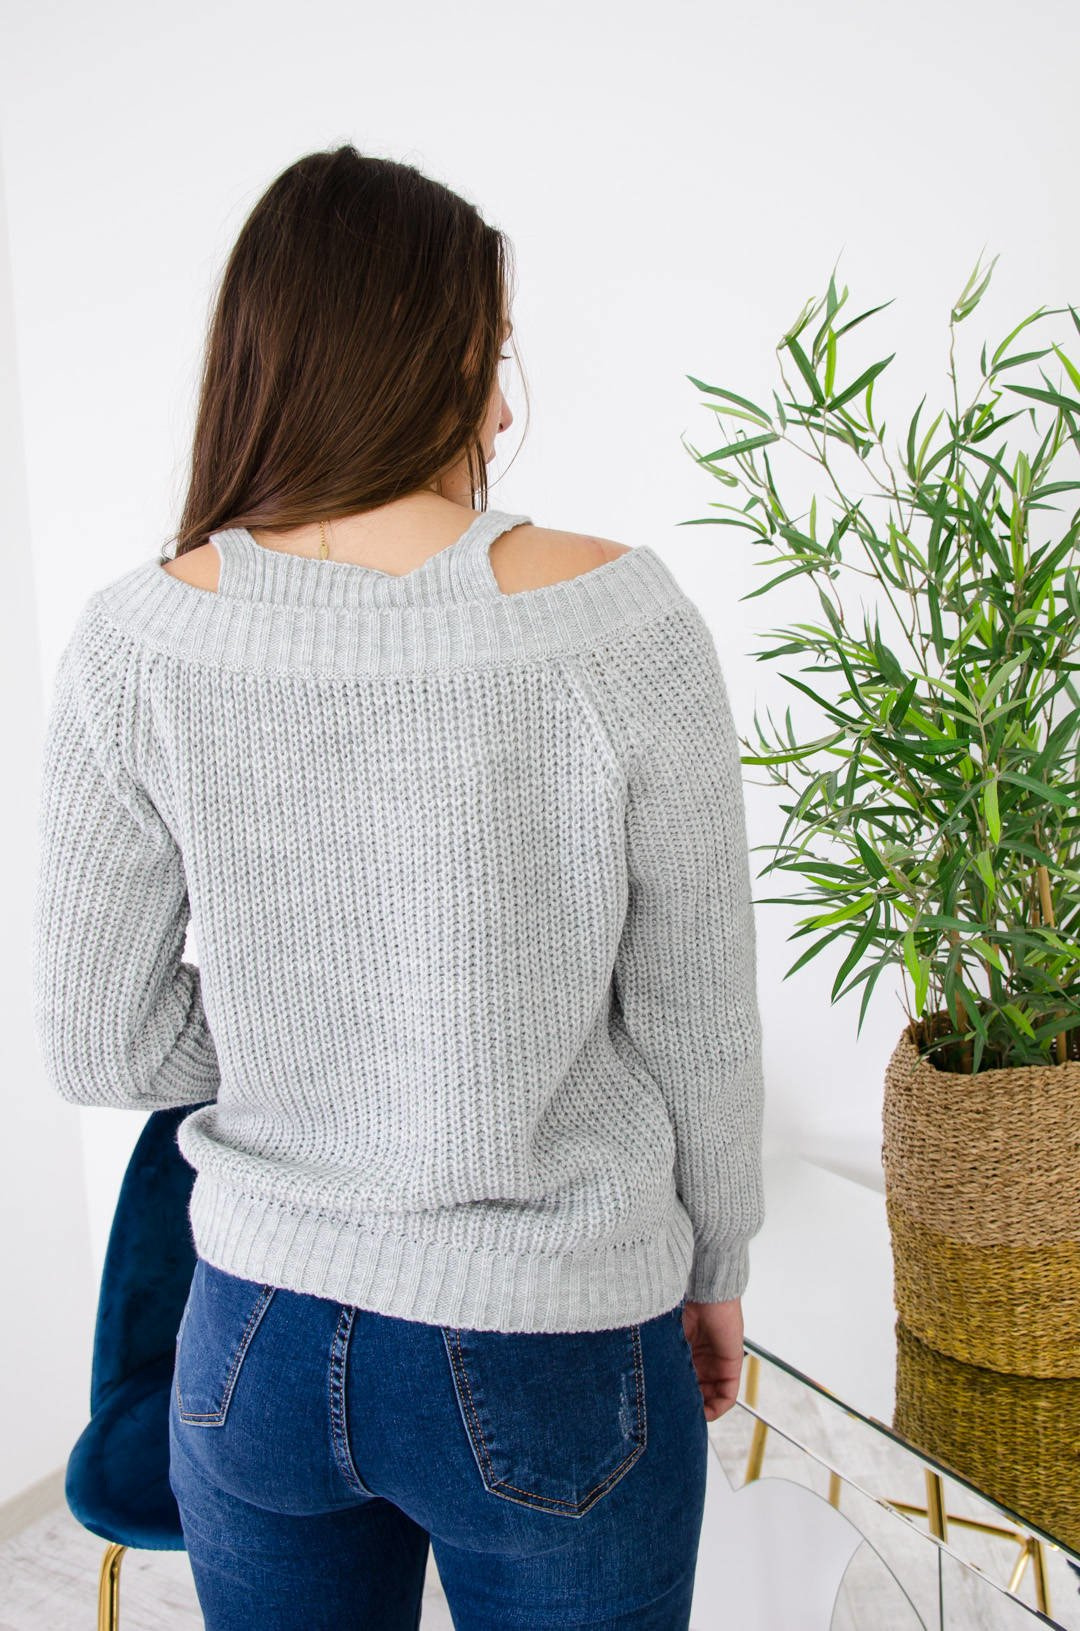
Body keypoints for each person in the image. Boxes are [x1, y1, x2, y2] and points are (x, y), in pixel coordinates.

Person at [31, 144, 766, 1630]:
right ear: (414, 361)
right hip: (556, 1337)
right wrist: (717, 1262)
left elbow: (100, 1045)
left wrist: (321, 1052)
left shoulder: (139, 639)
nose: (503, 409)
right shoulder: (617, 620)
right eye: (489, 359)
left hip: (253, 1346)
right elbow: (696, 1011)